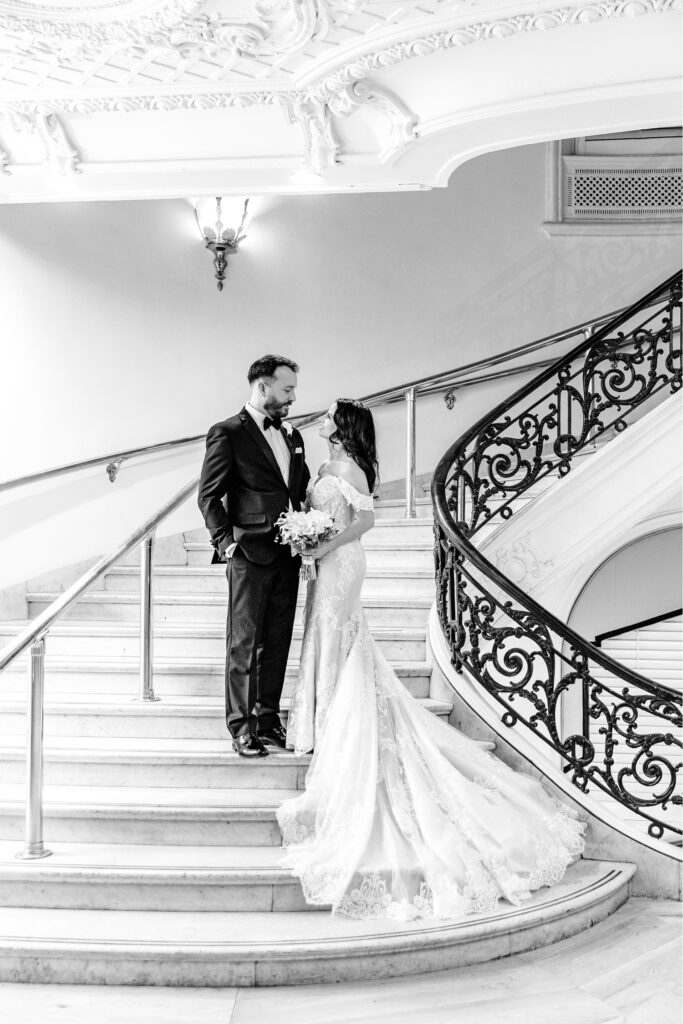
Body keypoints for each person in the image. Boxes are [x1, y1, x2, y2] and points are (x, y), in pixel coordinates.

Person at [277, 398, 585, 920]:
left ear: (345, 425)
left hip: (343, 564)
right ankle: (317, 717)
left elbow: (366, 519)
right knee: (320, 637)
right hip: (321, 563)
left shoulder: (350, 465)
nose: (324, 417)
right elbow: (321, 511)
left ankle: (334, 720)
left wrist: (325, 544)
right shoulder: (323, 464)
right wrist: (307, 540)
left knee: (340, 636)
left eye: (332, 413)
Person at [197, 355, 310, 758]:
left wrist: (309, 530)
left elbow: (298, 488)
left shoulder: (293, 436)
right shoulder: (227, 433)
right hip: (248, 552)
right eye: (287, 389)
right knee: (243, 644)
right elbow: (208, 496)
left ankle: (267, 719)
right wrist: (226, 543)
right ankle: (241, 727)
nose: (293, 397)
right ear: (262, 387)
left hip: (289, 553)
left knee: (276, 642)